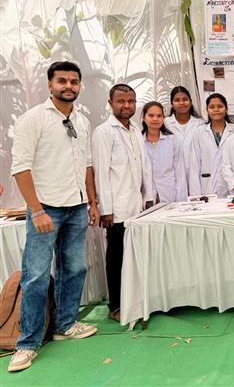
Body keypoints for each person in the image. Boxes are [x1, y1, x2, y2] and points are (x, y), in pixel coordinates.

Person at [8, 61, 99, 373]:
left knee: (74, 269)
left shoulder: (82, 120)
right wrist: (36, 210)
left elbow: (87, 163)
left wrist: (91, 202)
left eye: (74, 81)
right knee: (35, 275)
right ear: (50, 85)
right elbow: (20, 167)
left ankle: (65, 325)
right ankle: (27, 343)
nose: (69, 86)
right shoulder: (33, 119)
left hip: (77, 206)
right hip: (46, 208)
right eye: (62, 81)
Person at [92, 84, 153, 323]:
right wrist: (105, 209)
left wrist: (148, 197)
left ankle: (134, 299)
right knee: (116, 257)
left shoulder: (135, 130)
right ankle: (116, 305)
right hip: (116, 210)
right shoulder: (104, 132)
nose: (126, 106)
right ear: (110, 103)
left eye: (131, 101)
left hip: (136, 207)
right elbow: (100, 173)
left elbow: (144, 168)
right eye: (121, 101)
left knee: (134, 256)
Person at [188, 93, 234, 197]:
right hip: (207, 187)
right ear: (207, 110)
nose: (216, 110)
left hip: (233, 187)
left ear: (226, 109)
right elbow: (194, 164)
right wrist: (195, 195)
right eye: (212, 107)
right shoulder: (199, 132)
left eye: (220, 106)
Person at [141, 101, 188, 203]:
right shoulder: (138, 141)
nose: (155, 119)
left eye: (159, 116)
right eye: (151, 115)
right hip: (145, 197)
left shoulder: (173, 141)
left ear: (163, 118)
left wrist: (181, 201)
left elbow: (180, 173)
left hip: (169, 195)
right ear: (144, 118)